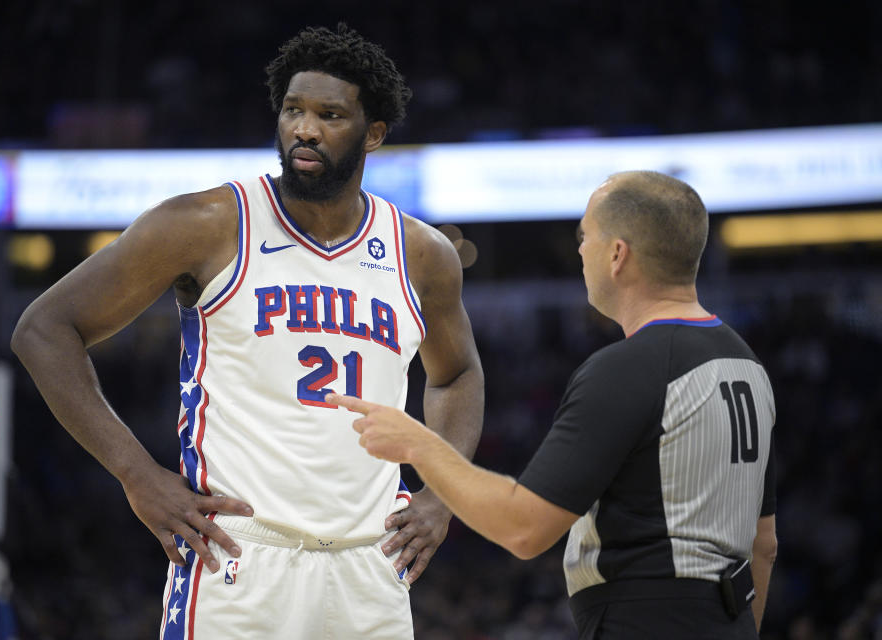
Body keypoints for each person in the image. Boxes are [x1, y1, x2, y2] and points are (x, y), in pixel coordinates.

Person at [11, 24, 483, 639]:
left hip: (372, 566)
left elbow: (458, 374)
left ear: (373, 134)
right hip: (239, 559)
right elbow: (43, 329)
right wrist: (136, 472)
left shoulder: (421, 253)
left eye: (329, 114)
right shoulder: (205, 224)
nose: (304, 129)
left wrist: (442, 493)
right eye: (293, 110)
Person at [328, 170, 778, 639]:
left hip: (644, 619)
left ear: (618, 255)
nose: (580, 249)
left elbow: (524, 529)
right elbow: (763, 545)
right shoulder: (747, 365)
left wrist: (421, 444)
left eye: (586, 235)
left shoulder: (628, 368)